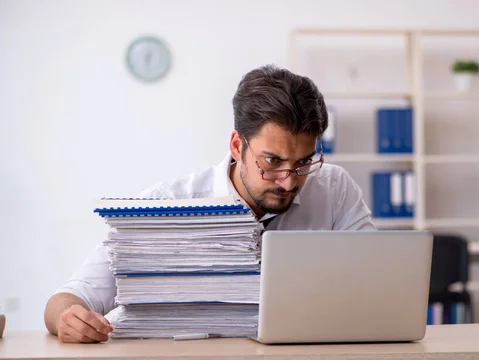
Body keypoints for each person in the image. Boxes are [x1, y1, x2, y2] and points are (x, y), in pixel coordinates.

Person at [44, 64, 376, 343]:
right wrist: (69, 319)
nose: (288, 181)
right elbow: (68, 299)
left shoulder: (334, 188)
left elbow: (376, 282)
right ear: (236, 146)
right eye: (272, 161)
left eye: (303, 163)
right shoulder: (166, 204)